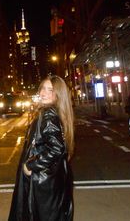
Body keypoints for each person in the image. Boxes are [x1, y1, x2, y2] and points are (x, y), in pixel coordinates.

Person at [8, 75, 75, 221]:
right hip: (51, 178)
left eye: (50, 90)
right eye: (43, 88)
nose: (44, 93)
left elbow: (57, 148)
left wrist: (30, 165)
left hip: (43, 182)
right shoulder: (54, 112)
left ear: (58, 95)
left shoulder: (49, 114)